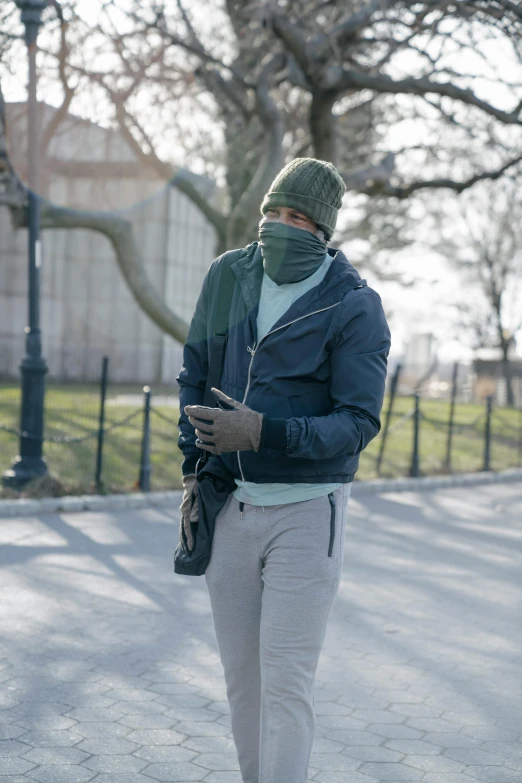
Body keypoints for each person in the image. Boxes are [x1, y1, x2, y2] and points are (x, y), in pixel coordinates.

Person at [176, 157, 391, 783]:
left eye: (297, 217)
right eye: (274, 212)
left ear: (322, 229)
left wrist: (266, 432)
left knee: (286, 683)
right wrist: (196, 466)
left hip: (306, 512)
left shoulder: (354, 305)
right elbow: (195, 370)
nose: (281, 225)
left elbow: (357, 423)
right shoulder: (228, 277)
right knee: (244, 684)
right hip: (230, 506)